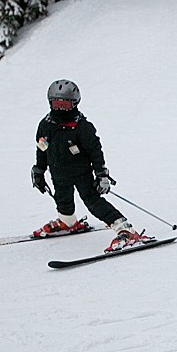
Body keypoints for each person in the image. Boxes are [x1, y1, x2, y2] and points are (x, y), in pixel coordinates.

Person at [31, 79, 144, 252]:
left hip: (82, 173)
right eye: (57, 104)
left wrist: (101, 175)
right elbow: (42, 147)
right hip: (58, 173)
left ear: (75, 103)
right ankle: (68, 222)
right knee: (62, 200)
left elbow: (95, 151)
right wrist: (39, 170)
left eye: (65, 105)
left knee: (93, 202)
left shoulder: (82, 127)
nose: (60, 109)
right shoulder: (45, 125)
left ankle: (126, 230)